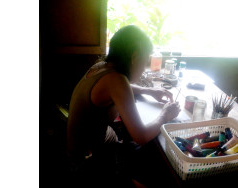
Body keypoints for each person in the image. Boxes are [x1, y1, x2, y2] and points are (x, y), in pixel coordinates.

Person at [66, 25, 181, 187]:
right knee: (151, 166)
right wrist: (165, 115)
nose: (144, 68)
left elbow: (116, 89)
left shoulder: (102, 67)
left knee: (138, 152)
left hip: (89, 146)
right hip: (84, 163)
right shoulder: (117, 80)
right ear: (135, 58)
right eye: (145, 60)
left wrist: (148, 90)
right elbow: (141, 136)